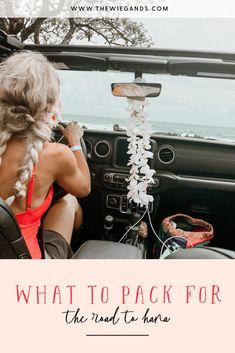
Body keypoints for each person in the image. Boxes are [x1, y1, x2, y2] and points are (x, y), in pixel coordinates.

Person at [0, 50, 91, 259]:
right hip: (26, 259)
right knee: (68, 200)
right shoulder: (57, 155)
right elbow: (84, 188)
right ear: (48, 104)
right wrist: (75, 143)